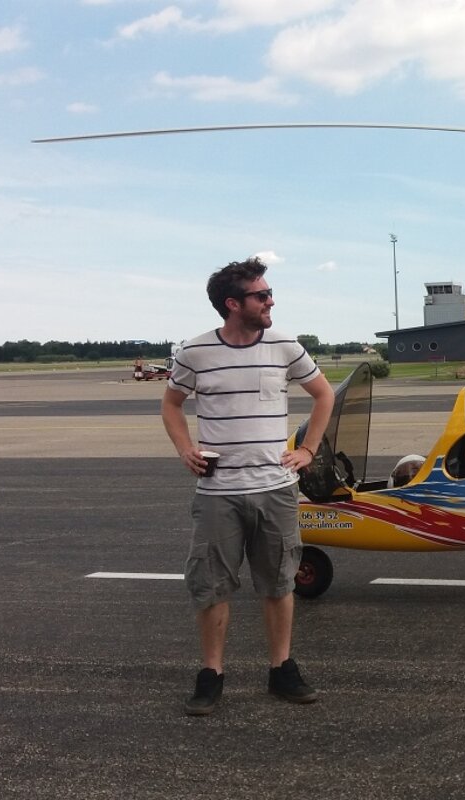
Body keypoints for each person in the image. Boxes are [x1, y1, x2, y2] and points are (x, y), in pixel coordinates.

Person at [161, 257, 334, 716]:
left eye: (269, 292)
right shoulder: (195, 353)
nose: (270, 300)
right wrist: (184, 449)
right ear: (233, 304)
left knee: (279, 582)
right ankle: (211, 674)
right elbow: (172, 404)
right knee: (212, 585)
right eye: (261, 295)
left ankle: (281, 669)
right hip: (217, 493)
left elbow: (324, 394)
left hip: (276, 489)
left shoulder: (285, 345)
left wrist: (309, 451)